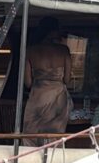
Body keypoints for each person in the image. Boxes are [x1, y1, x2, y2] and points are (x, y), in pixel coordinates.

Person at [21, 17, 73, 146]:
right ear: (54, 31)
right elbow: (67, 80)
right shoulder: (64, 50)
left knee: (31, 135)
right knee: (55, 135)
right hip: (58, 98)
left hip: (38, 97)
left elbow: (28, 82)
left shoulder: (30, 51)